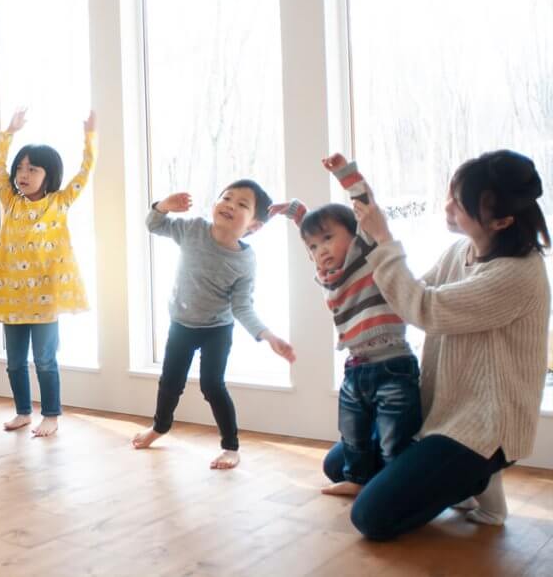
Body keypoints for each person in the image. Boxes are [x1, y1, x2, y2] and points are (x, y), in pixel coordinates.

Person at [325, 149, 550, 539]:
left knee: (371, 517)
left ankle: (475, 478)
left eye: (459, 204)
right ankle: (443, 476)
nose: (447, 207)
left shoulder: (518, 275)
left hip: (483, 427)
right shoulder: (461, 251)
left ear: (502, 221)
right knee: (339, 463)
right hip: (441, 411)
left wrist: (383, 239)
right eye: (451, 194)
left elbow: (424, 308)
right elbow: (404, 294)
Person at [270, 154, 421, 495]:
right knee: (352, 432)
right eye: (313, 247)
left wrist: (345, 173)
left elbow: (366, 205)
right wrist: (296, 213)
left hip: (392, 365)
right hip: (356, 368)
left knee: (393, 435)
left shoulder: (364, 255)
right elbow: (306, 233)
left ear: (355, 236)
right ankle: (358, 479)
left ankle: (399, 487)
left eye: (327, 239)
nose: (320, 250)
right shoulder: (330, 277)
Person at [131, 181, 296, 470]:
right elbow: (154, 225)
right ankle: (159, 427)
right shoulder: (193, 229)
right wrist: (163, 206)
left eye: (242, 204)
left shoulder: (245, 261)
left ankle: (230, 447)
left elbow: (242, 306)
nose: (230, 204)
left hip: (217, 330)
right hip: (181, 325)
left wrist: (267, 335)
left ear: (255, 226)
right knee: (170, 382)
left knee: (212, 385)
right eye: (227, 197)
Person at [0, 108, 97, 437]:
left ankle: (51, 414)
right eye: (20, 168)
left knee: (45, 359)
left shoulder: (59, 202)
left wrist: (89, 138)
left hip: (45, 299)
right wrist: (8, 134)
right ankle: (21, 412)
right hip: (11, 297)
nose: (23, 174)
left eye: (32, 168)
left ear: (49, 174)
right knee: (15, 362)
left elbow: (85, 173)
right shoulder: (11, 201)